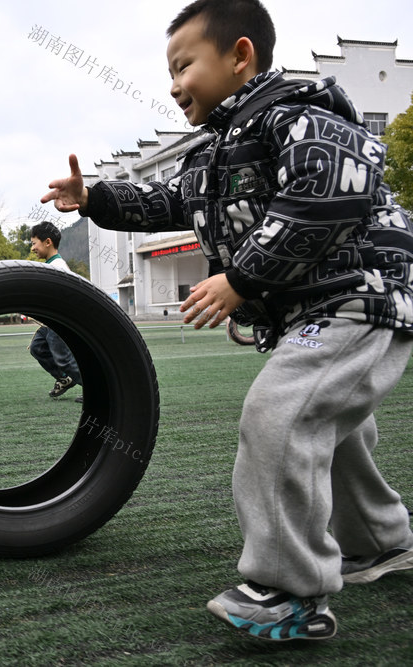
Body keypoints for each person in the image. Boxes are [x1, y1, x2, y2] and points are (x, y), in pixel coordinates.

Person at [41, 0, 413, 641]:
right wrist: (94, 197)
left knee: (279, 415)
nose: (173, 83)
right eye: (169, 71)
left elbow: (327, 193)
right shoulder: (216, 155)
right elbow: (163, 200)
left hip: (359, 298)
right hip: (317, 309)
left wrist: (242, 278)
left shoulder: (300, 114)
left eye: (183, 65)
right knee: (332, 430)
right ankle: (383, 541)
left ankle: (292, 592)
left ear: (240, 56)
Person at [27, 220, 83, 402]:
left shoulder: (57, 267)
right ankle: (64, 379)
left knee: (64, 360)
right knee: (37, 348)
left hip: (59, 321)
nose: (32, 248)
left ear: (47, 242)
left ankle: (97, 390)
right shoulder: (50, 265)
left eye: (34, 243)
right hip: (49, 322)